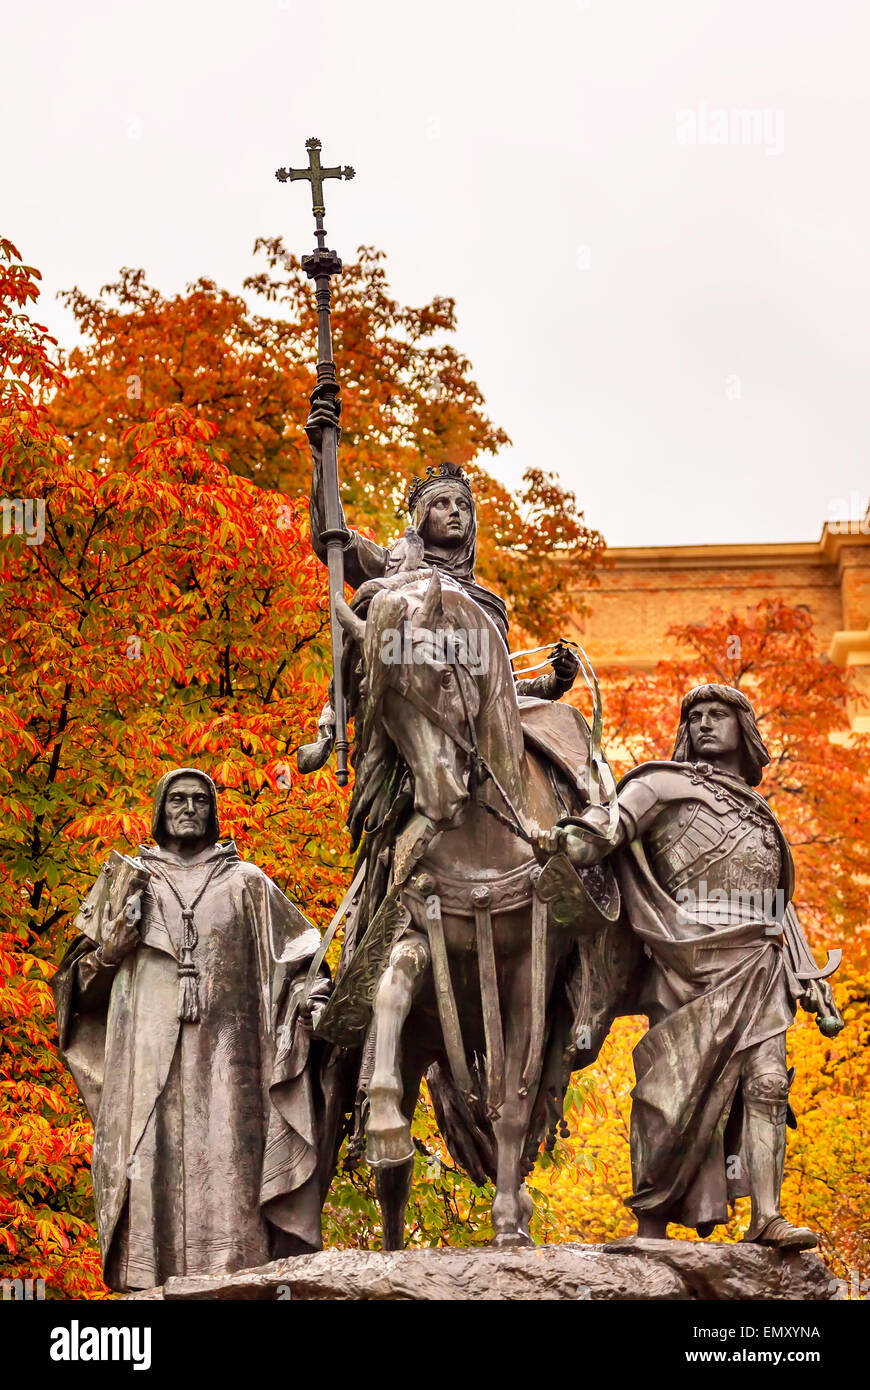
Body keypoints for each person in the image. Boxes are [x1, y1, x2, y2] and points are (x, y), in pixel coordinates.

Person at [537, 684, 843, 1250]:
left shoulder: (762, 815)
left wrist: (807, 975)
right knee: (668, 1092)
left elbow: (779, 901)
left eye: (717, 714)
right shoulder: (661, 783)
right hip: (683, 956)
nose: (703, 723)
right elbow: (608, 827)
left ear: (743, 729)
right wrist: (570, 841)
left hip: (759, 959)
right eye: (695, 715)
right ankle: (652, 1222)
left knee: (769, 1084)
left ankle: (767, 1217)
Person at [52, 768, 330, 1290]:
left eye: (200, 800)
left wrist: (311, 997)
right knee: (148, 1157)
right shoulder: (129, 883)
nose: (188, 808)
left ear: (214, 811)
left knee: (230, 1158)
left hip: (229, 1060)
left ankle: (237, 1278)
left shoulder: (247, 883)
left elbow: (300, 963)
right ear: (160, 810)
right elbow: (76, 991)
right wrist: (111, 950)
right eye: (177, 799)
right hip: (145, 1059)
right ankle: (149, 1283)